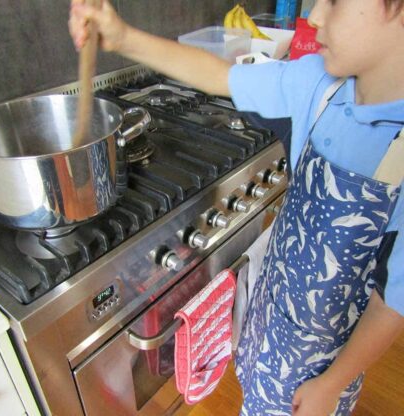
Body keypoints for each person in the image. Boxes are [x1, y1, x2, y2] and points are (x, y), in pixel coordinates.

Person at [69, 1, 404, 415]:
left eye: (334, 1)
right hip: (268, 313)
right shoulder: (319, 84)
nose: (314, 16)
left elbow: (393, 303)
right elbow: (218, 75)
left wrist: (332, 384)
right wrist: (123, 38)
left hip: (321, 363)